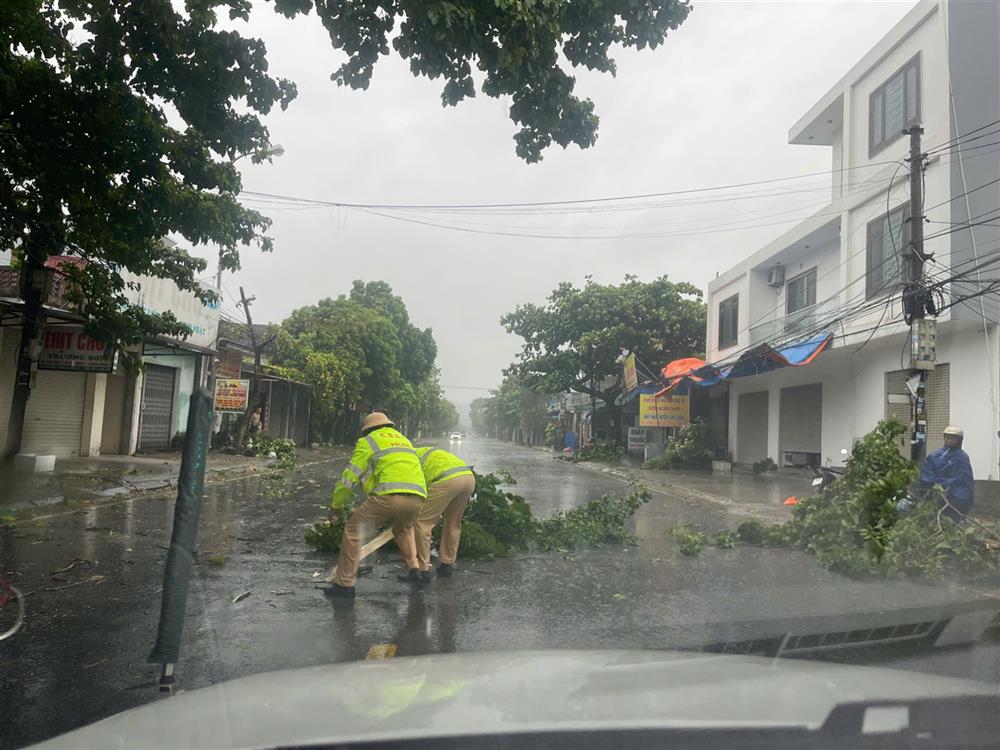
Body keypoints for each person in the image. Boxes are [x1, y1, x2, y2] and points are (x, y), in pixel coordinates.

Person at [328, 412, 427, 598]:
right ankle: (415, 571)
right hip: (418, 497)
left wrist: (336, 504)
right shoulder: (404, 440)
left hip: (389, 495)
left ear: (367, 429)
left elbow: (349, 478)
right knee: (403, 529)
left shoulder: (369, 441)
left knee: (352, 532)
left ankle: (344, 585)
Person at [400, 446, 475, 583]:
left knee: (422, 523)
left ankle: (423, 571)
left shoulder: (406, 462)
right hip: (468, 478)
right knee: (453, 522)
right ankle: (447, 564)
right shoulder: (423, 453)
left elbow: (415, 492)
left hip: (447, 480)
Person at [918, 425, 975, 521]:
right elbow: (926, 474)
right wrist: (936, 485)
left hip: (955, 496)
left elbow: (965, 478)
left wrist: (948, 485)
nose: (949, 440)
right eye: (947, 437)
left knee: (952, 518)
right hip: (934, 493)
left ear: (959, 440)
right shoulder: (935, 455)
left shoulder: (962, 457)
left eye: (952, 438)